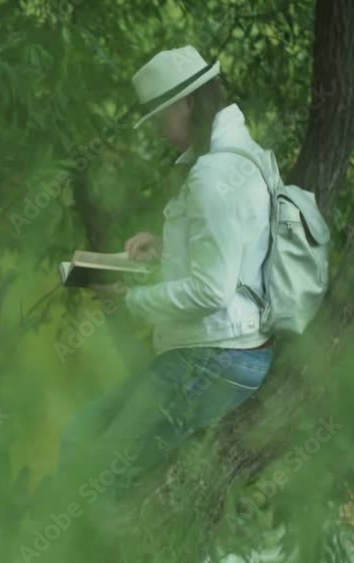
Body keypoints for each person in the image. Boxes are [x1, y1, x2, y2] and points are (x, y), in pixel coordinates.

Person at [59, 45, 277, 492]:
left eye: (161, 117)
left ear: (187, 103)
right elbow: (236, 245)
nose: (159, 131)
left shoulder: (214, 174)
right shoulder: (239, 155)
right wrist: (165, 247)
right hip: (217, 349)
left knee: (93, 474)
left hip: (216, 356)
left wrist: (130, 299)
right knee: (79, 436)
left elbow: (211, 292)